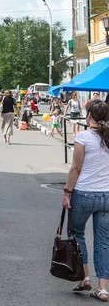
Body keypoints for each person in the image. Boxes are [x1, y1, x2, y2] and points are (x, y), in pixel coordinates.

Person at [62, 100, 109, 300]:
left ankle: (85, 277)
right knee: (104, 241)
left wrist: (66, 192)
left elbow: (76, 168)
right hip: (107, 195)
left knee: (76, 233)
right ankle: (103, 288)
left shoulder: (83, 137)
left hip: (84, 193)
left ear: (88, 115)